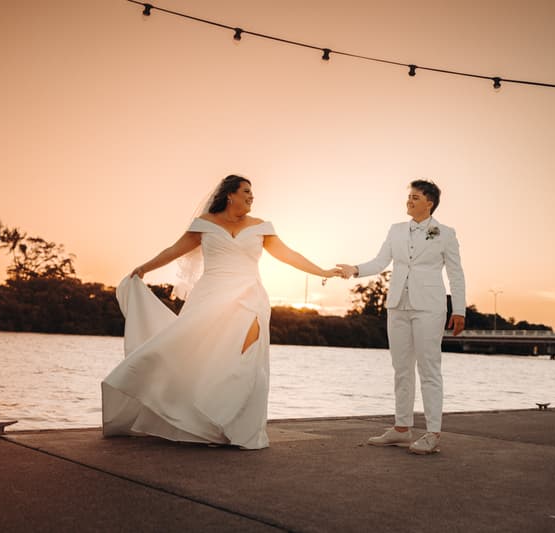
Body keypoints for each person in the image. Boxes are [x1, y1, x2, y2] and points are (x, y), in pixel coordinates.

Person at [102, 175, 341, 450]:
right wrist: (143, 268)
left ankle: (236, 426)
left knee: (246, 355)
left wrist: (322, 271)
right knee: (203, 355)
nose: (252, 197)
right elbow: (173, 250)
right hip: (210, 296)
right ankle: (206, 424)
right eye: (247, 191)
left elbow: (289, 255)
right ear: (230, 195)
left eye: (253, 192)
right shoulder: (204, 225)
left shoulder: (262, 227)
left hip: (250, 296)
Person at [338, 179, 465, 455]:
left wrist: (459, 310)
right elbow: (380, 262)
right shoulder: (395, 230)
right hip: (397, 306)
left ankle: (433, 433)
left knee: (429, 369)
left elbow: (455, 274)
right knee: (401, 368)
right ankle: (401, 428)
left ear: (429, 202)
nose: (409, 201)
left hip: (429, 307)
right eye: (409, 196)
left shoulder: (445, 233)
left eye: (415, 197)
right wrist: (354, 269)